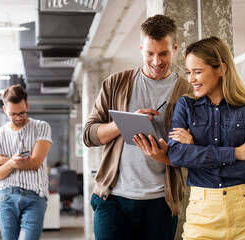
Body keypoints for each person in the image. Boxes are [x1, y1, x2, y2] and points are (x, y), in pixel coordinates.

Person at [133, 36, 245, 239]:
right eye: (189, 72)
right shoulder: (186, 106)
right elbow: (178, 155)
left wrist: (195, 149)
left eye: (198, 72)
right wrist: (236, 152)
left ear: (221, 69)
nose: (190, 79)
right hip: (202, 213)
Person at [83, 14, 193, 240]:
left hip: (160, 203)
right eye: (149, 53)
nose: (156, 61)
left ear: (175, 48)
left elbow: (195, 153)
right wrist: (124, 123)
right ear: (141, 48)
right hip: (112, 199)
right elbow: (89, 135)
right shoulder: (116, 83)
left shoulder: (187, 92)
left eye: (164, 53)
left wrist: (172, 151)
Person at [0, 85, 52, 240]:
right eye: (13, 114)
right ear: (4, 110)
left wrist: (1, 160)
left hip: (35, 196)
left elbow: (35, 163)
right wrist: (11, 163)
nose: (18, 117)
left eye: (22, 112)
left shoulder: (41, 127)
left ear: (27, 106)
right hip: (6, 198)